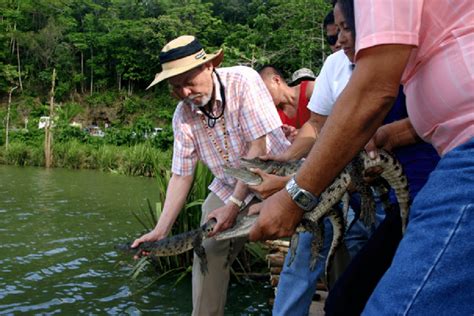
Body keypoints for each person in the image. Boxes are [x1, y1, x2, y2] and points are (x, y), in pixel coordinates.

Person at [249, 0, 473, 314]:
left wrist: (293, 196)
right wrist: (387, 135)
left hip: (443, 177)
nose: (339, 40)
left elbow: (372, 94)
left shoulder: (379, 65)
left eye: (344, 29)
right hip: (420, 183)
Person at [131, 35, 290, 316]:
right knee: (208, 247)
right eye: (176, 87)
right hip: (229, 186)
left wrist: (235, 205)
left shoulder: (243, 81)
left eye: (189, 82)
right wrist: (161, 230)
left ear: (209, 67)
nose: (185, 93)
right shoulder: (183, 116)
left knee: (318, 235)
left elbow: (258, 147)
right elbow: (181, 175)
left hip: (276, 177)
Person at [258, 65, 315, 142]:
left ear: (276, 80)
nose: (262, 95)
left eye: (263, 89)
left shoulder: (311, 89)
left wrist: (301, 133)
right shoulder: (272, 114)